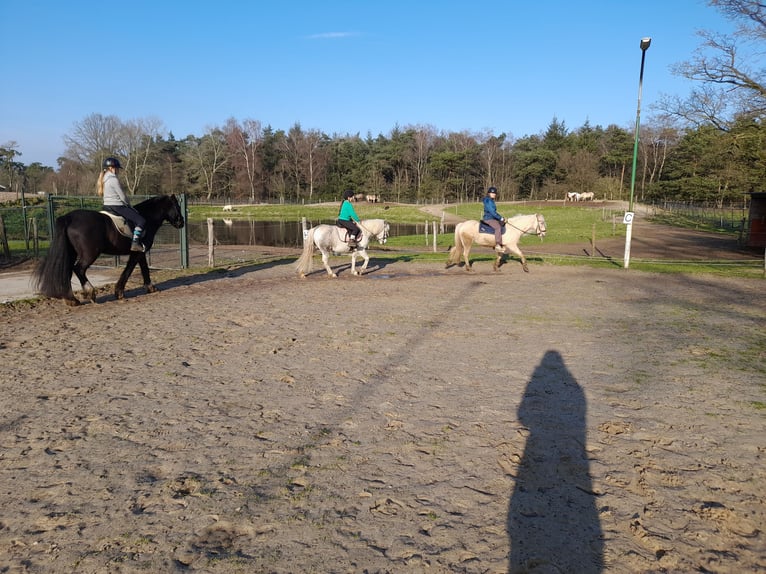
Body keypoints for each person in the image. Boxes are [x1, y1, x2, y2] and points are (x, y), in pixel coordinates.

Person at [98, 157, 146, 252]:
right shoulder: (113, 179)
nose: (118, 170)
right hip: (117, 206)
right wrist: (129, 204)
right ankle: (135, 243)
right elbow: (122, 197)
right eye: (117, 168)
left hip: (107, 206)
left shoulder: (103, 179)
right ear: (112, 168)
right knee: (141, 221)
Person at [482, 186, 506, 252]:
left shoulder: (490, 200)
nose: (494, 194)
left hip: (491, 217)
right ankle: (498, 244)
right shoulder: (488, 201)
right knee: (498, 227)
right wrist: (500, 218)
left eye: (495, 193)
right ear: (489, 193)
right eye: (492, 193)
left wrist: (501, 218)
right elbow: (492, 212)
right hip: (488, 218)